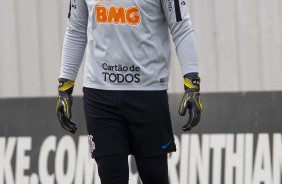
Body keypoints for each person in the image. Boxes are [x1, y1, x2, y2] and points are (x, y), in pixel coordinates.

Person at [56, 0, 202, 183]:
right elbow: (75, 31)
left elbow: (182, 28)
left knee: (154, 176)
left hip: (148, 92)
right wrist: (64, 89)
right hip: (100, 94)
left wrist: (192, 85)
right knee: (111, 177)